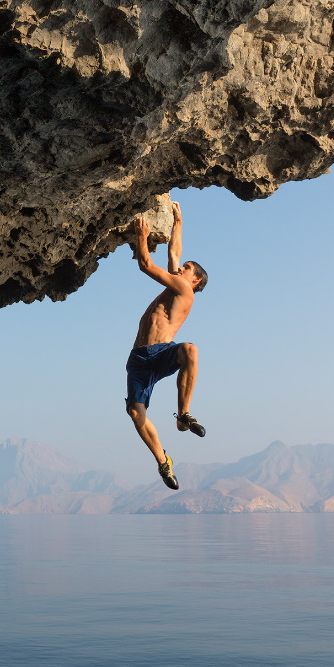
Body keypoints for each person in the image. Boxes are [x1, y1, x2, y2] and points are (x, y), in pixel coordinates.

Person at [125, 201, 208, 491]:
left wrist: (141, 237)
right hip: (138, 358)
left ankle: (183, 414)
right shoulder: (176, 283)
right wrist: (178, 221)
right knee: (136, 413)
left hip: (161, 353)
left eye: (186, 269)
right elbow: (174, 253)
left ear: (194, 280)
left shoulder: (185, 289)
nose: (180, 267)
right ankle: (163, 461)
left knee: (190, 350)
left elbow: (146, 264)